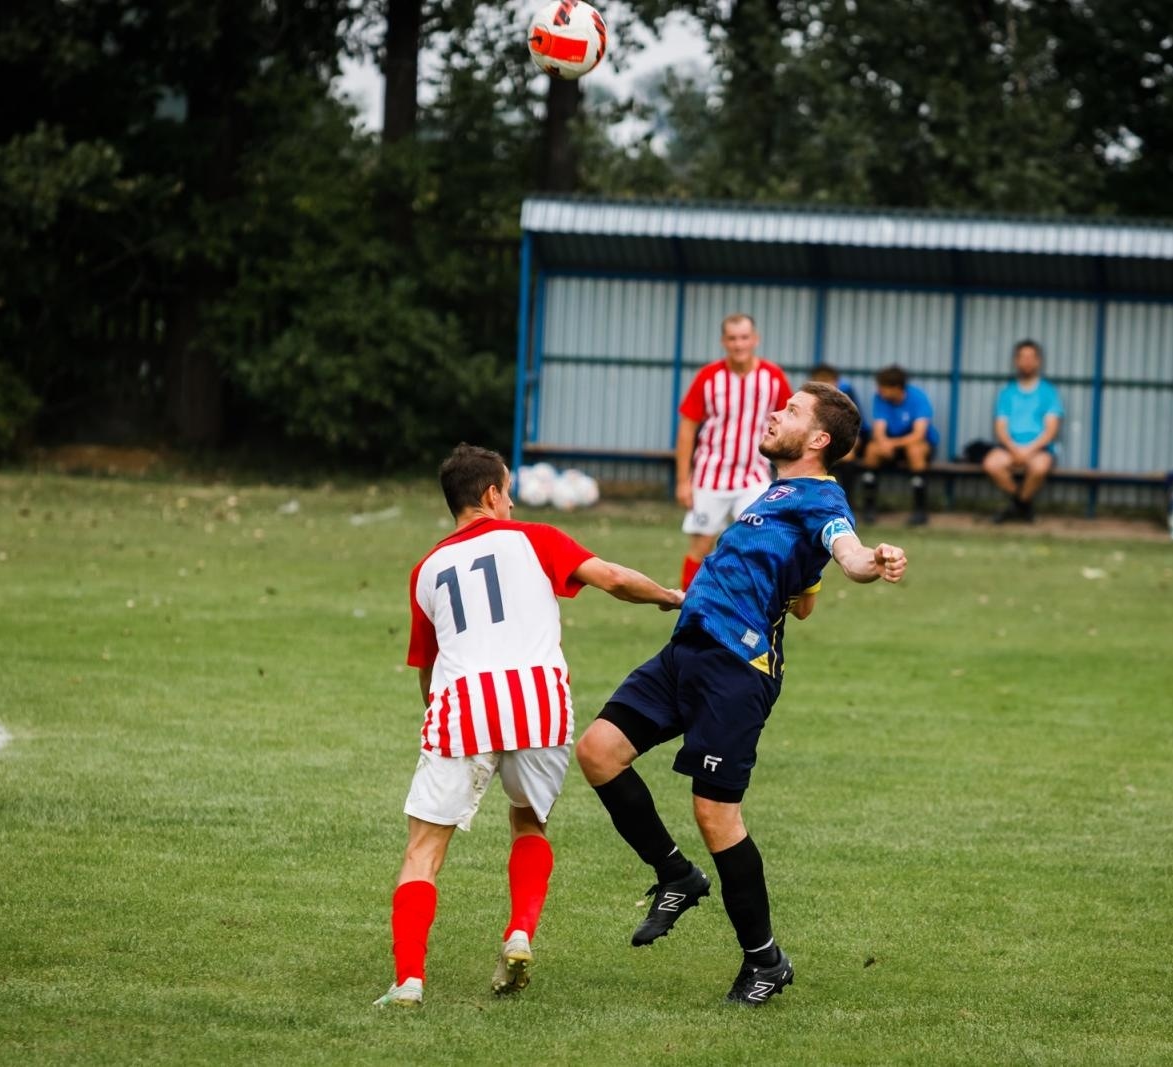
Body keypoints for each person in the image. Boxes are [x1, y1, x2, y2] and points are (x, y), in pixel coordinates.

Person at [575, 382, 908, 1006]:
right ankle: (676, 873)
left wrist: (873, 561)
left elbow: (850, 553)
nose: (774, 413)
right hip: (687, 650)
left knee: (716, 814)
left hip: (737, 667)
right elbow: (804, 597)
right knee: (597, 751)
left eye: (791, 411)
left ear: (818, 439)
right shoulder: (777, 494)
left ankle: (765, 960)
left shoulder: (823, 498)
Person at [375, 444, 684, 1008]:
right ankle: (518, 934)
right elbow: (611, 578)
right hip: (539, 700)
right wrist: (668, 597)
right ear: (492, 495)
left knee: (423, 850)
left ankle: (408, 983)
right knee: (528, 822)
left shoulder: (427, 570)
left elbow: (428, 667)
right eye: (509, 490)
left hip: (463, 702)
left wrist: (439, 718)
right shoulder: (535, 538)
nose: (512, 501)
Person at [675, 313, 793, 590]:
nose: (739, 344)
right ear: (723, 341)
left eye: (744, 338)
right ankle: (689, 610)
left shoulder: (772, 377)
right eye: (732, 338)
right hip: (710, 475)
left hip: (753, 475)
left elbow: (789, 424)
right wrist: (683, 480)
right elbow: (687, 428)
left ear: (755, 339)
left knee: (756, 542)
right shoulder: (708, 377)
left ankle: (745, 610)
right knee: (701, 545)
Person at [982, 340, 1064, 524]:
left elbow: (1051, 430)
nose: (1027, 361)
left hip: (1039, 448)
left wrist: (1028, 450)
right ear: (1016, 361)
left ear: (1038, 361)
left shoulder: (1048, 392)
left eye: (1031, 357)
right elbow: (1000, 427)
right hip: (1010, 447)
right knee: (991, 464)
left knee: (1039, 467)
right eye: (1022, 357)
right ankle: (1023, 504)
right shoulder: (1007, 392)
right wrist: (1013, 448)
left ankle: (1015, 506)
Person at [861, 364, 939, 527]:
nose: (879, 391)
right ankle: (869, 508)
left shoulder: (918, 398)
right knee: (871, 450)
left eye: (883, 387)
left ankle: (920, 511)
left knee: (915, 450)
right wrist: (883, 443)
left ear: (896, 388)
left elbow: (918, 434)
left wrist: (892, 444)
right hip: (891, 446)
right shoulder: (880, 398)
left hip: (917, 445)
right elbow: (879, 429)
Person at [808, 364, 869, 508]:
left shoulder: (847, 395)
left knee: (848, 461)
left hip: (844, 443)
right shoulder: (809, 398)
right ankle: (814, 503)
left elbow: (857, 428)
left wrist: (850, 449)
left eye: (827, 382)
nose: (824, 387)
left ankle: (846, 504)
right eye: (819, 383)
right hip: (821, 444)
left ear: (836, 382)